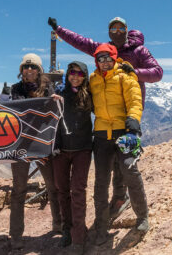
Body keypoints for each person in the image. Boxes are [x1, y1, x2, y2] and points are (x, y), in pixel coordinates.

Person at [48, 16, 162, 223]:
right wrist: (60, 30)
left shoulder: (139, 51)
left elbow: (157, 73)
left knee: (125, 164)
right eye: (113, 28)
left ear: (127, 30)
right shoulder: (104, 51)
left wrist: (134, 72)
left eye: (121, 27)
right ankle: (118, 199)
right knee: (112, 161)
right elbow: (81, 42)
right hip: (106, 119)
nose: (117, 31)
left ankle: (121, 197)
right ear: (109, 32)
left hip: (130, 111)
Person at [88, 43, 149, 245]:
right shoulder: (93, 79)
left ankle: (142, 217)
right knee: (101, 180)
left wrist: (133, 121)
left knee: (129, 170)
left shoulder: (125, 75)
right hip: (101, 135)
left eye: (107, 58)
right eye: (100, 58)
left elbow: (134, 100)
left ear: (114, 58)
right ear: (96, 61)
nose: (104, 62)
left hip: (123, 132)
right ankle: (102, 223)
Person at [8, 53, 62, 250]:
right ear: (21, 70)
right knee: (19, 190)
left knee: (53, 186)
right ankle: (16, 235)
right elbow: (16, 111)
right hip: (20, 145)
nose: (29, 71)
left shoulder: (49, 88)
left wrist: (55, 100)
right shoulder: (15, 90)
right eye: (25, 67)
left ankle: (59, 225)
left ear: (39, 71)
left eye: (33, 68)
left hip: (42, 144)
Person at [53, 61, 93, 254]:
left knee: (78, 191)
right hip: (60, 150)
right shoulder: (58, 94)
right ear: (67, 75)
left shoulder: (90, 96)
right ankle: (67, 229)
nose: (75, 76)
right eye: (72, 73)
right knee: (62, 191)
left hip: (82, 149)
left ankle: (78, 237)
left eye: (79, 73)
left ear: (84, 76)